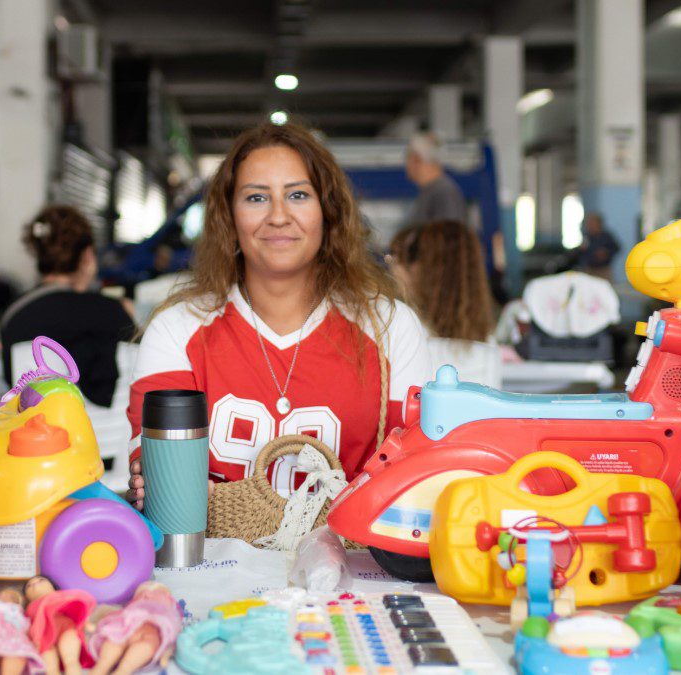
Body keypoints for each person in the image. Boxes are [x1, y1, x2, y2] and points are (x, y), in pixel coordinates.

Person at [125, 122, 434, 509]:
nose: (278, 216)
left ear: (328, 211)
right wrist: (158, 482)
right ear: (228, 216)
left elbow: (413, 472)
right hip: (207, 564)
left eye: (298, 195)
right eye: (256, 198)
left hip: (351, 565)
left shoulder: (389, 325)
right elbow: (158, 479)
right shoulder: (177, 327)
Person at [0, 206, 135, 407]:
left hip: (37, 433)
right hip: (113, 436)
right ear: (88, 256)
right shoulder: (115, 310)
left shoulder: (14, 314)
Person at [389, 221, 499, 387]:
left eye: (400, 258)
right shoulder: (489, 346)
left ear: (426, 269)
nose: (394, 267)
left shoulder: (403, 335)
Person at [405, 132, 467, 227]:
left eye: (408, 158)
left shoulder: (444, 191)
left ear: (417, 159)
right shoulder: (430, 191)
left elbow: (449, 235)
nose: (406, 165)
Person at [574, 213, 621, 278]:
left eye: (592, 223)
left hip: (603, 271)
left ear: (599, 224)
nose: (590, 225)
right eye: (588, 223)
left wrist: (606, 252)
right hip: (589, 270)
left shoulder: (606, 236)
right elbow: (579, 253)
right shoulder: (587, 236)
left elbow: (617, 248)